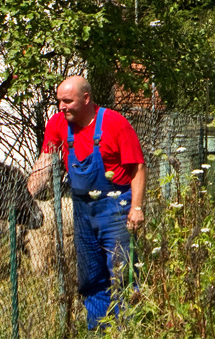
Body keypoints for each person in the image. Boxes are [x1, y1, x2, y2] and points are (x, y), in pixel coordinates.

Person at [30, 75, 146, 329]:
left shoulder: (115, 124)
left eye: (67, 101)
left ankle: (127, 329)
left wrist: (136, 208)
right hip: (82, 208)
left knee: (121, 269)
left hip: (115, 206)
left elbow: (137, 167)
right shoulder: (58, 124)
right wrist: (24, 197)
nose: (62, 107)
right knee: (91, 273)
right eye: (59, 101)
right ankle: (99, 329)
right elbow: (45, 162)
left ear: (86, 98)